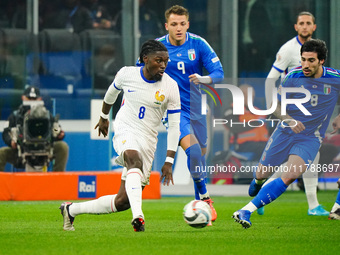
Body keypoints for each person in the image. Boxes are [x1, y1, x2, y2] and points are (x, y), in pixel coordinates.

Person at [59, 40, 181, 232]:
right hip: (126, 128)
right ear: (145, 59)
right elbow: (111, 94)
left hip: (148, 139)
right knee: (133, 158)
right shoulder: (127, 74)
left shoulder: (171, 86)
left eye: (166, 61)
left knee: (122, 201)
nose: (163, 65)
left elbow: (174, 126)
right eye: (159, 60)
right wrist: (103, 117)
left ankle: (71, 209)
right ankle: (138, 217)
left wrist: (169, 160)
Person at [232, 39, 340, 228]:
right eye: (303, 59)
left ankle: (245, 210)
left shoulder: (335, 78)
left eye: (311, 61)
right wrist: (289, 119)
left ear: (321, 61)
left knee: (290, 175)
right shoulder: (293, 76)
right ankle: (259, 183)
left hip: (310, 137)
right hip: (285, 132)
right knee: (261, 173)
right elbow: (276, 107)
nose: (305, 65)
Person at [155, 5, 224, 222]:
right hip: (174, 111)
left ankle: (198, 208)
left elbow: (218, 73)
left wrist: (205, 79)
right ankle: (205, 198)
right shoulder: (157, 47)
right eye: (174, 24)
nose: (178, 28)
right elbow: (141, 73)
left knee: (199, 158)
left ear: (188, 24)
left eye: (182, 24)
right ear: (167, 26)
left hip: (198, 108)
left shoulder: (198, 43)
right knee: (194, 152)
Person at [262, 12, 328, 216]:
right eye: (302, 23)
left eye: (309, 23)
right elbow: (269, 79)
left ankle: (311, 204)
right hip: (292, 108)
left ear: (314, 27)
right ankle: (311, 204)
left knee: (306, 156)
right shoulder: (288, 50)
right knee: (303, 155)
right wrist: (272, 107)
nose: (305, 26)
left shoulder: (316, 48)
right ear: (295, 27)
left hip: (311, 109)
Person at [0, 86, 69, 172]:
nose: (32, 101)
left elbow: (55, 128)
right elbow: (6, 132)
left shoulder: (47, 115)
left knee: (62, 147)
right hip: (21, 151)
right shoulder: (15, 116)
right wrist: (11, 142)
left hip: (44, 149)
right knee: (2, 153)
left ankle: (57, 180)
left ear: (40, 99)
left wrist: (59, 134)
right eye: (29, 98)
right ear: (23, 97)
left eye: (34, 99)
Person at [225, 84, 269, 161]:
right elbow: (234, 127)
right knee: (267, 149)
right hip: (242, 145)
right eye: (248, 96)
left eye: (252, 96)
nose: (251, 99)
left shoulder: (258, 111)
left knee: (275, 147)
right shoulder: (232, 110)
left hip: (262, 144)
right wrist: (256, 123)